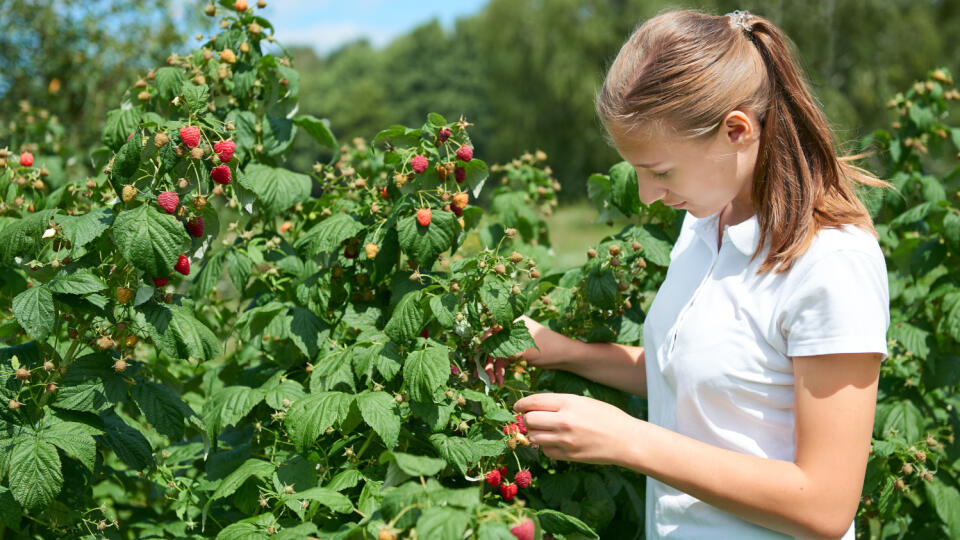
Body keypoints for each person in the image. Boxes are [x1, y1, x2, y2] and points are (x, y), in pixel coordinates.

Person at [511, 8, 893, 540]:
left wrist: (629, 441)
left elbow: (826, 505)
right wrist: (561, 350)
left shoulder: (831, 264)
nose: (647, 194)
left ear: (737, 131)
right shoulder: (704, 223)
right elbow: (698, 379)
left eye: (660, 171)